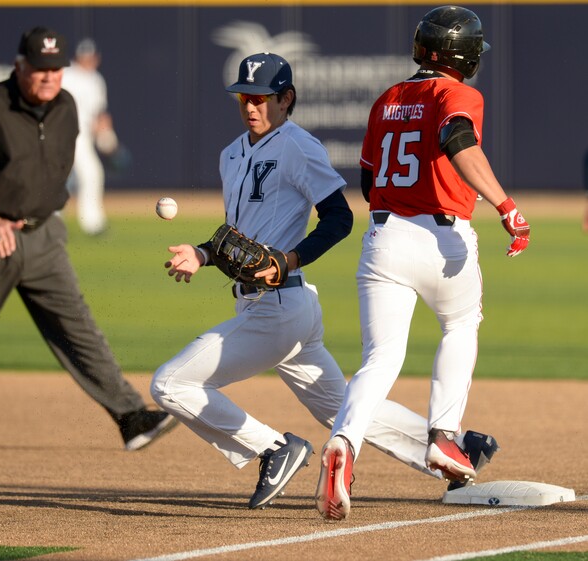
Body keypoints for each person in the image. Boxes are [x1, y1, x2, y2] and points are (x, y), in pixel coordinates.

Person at [151, 52, 498, 511]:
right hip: (270, 307)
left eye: (261, 98)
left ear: (286, 98)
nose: (250, 106)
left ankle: (272, 448)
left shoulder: (299, 146)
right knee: (344, 411)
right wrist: (202, 254)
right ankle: (459, 450)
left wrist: (289, 260)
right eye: (244, 98)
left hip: (279, 307)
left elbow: (338, 218)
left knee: (169, 384)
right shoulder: (230, 154)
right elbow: (242, 240)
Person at [0, 26, 176, 454]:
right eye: (40, 69)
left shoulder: (65, 107)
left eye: (56, 68)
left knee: (78, 327)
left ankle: (131, 417)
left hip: (45, 236)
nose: (49, 77)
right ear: (20, 66)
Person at [316, 5, 530, 521]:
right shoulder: (459, 93)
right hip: (442, 237)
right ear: (464, 54)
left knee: (381, 357)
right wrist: (506, 206)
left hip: (384, 236)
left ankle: (344, 441)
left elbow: (368, 182)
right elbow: (457, 140)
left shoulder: (388, 98)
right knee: (459, 327)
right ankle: (442, 437)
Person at [62, 38, 117, 236]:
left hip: (83, 136)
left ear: (96, 58)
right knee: (83, 175)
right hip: (64, 132)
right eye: (84, 56)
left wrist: (106, 134)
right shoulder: (66, 74)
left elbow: (99, 113)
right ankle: (90, 224)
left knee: (89, 175)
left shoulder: (96, 79)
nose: (87, 60)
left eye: (90, 57)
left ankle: (91, 223)